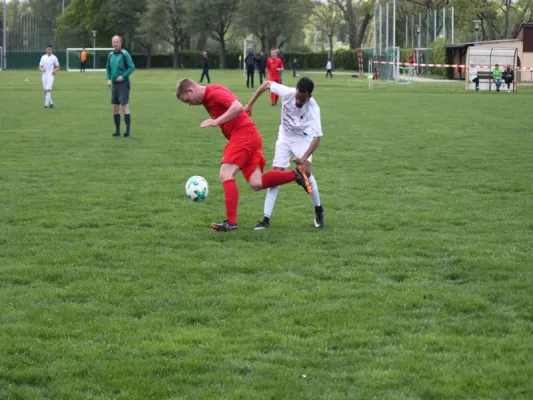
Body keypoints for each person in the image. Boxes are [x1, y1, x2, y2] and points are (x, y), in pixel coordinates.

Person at [175, 78, 312, 232]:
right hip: (249, 135)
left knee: (226, 173)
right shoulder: (207, 97)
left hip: (243, 134)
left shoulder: (214, 93)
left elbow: (237, 107)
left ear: (190, 90)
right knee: (256, 183)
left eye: (187, 100)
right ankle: (296, 174)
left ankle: (230, 222)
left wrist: (216, 121)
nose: (190, 104)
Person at [245, 77, 324, 230]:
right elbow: (266, 84)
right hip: (285, 137)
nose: (298, 102)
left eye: (302, 100)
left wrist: (304, 157)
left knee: (306, 171)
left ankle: (319, 210)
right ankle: (266, 220)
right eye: (297, 97)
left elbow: (317, 138)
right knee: (276, 176)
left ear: (309, 96)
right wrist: (249, 104)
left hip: (303, 138)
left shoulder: (314, 108)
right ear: (296, 91)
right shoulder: (287, 93)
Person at [106, 35, 136, 137]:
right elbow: (108, 69)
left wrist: (123, 76)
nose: (115, 44)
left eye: (117, 42)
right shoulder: (110, 55)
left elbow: (132, 67)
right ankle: (117, 131)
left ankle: (127, 131)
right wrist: (108, 79)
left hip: (123, 84)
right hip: (114, 85)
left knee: (124, 107)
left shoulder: (124, 54)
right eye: (113, 42)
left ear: (120, 43)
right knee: (115, 107)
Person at [39, 44, 60, 109]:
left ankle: (45, 105)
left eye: (50, 49)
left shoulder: (54, 57)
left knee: (48, 90)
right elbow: (40, 66)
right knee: (45, 91)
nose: (49, 50)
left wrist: (54, 71)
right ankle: (51, 103)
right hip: (44, 75)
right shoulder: (43, 57)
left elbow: (58, 67)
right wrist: (42, 69)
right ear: (46, 50)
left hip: (50, 75)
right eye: (48, 49)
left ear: (52, 50)